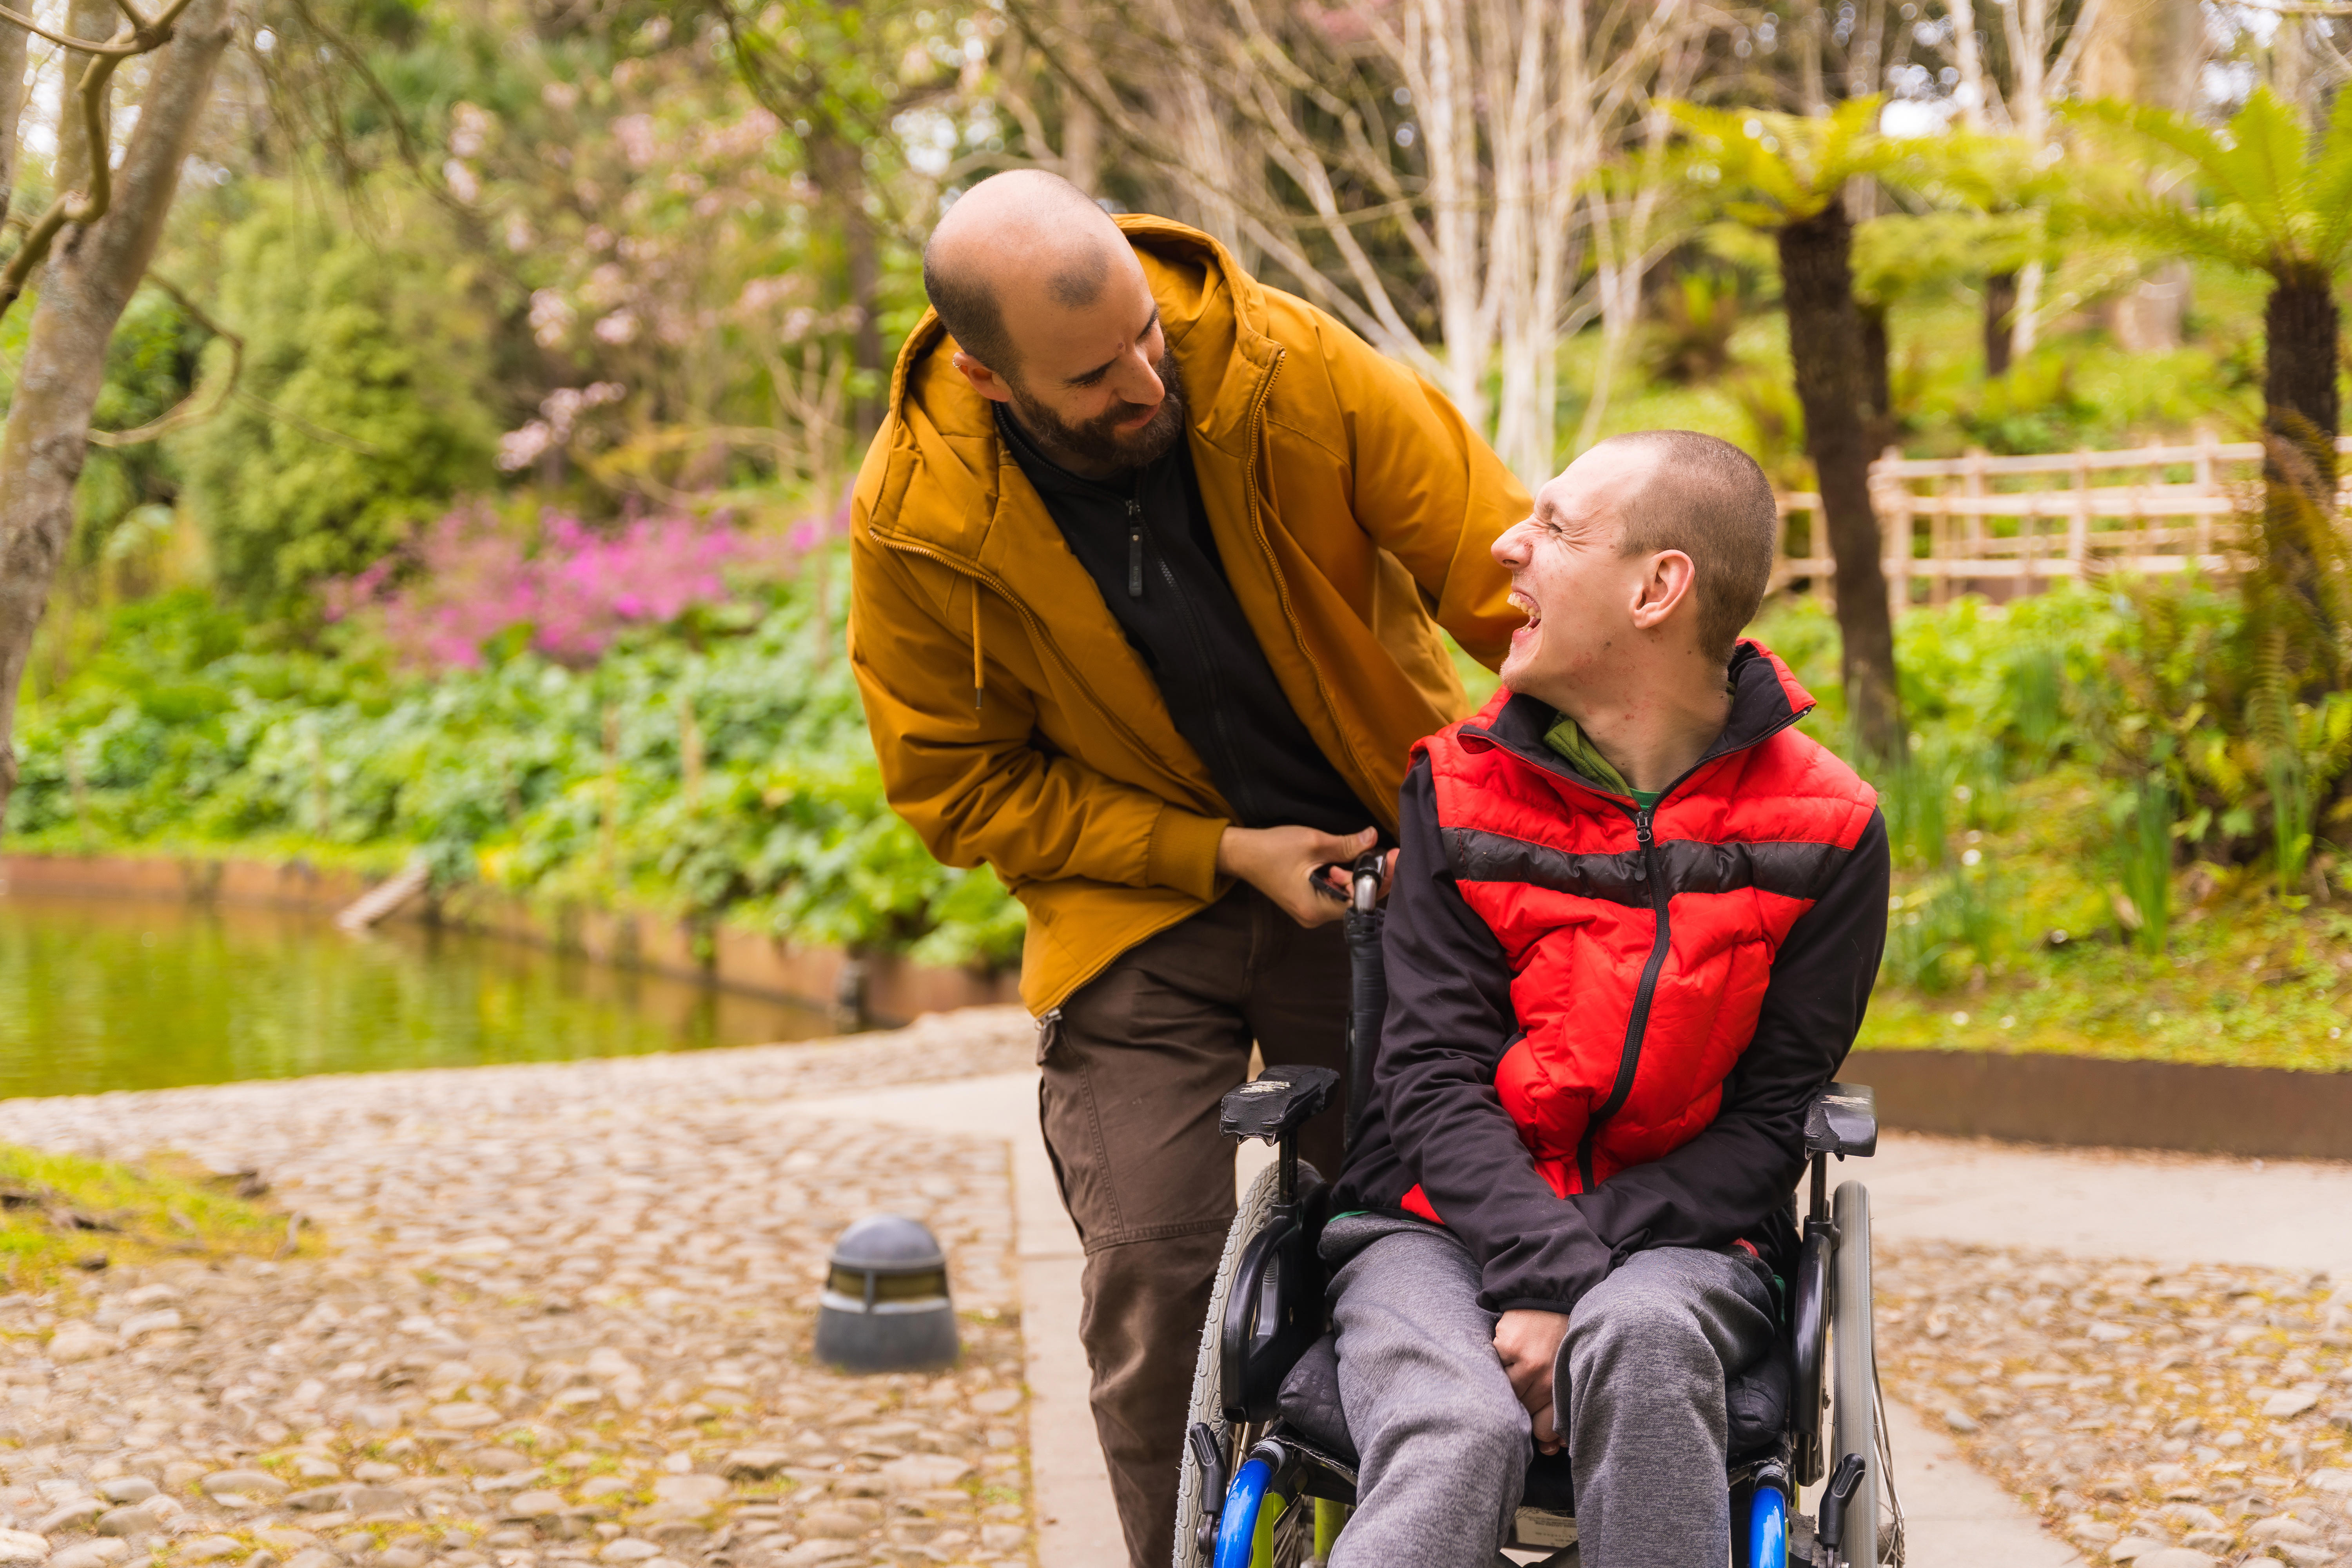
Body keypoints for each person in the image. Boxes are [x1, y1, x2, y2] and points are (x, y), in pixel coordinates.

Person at [844, 169, 1526, 1567]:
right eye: (1093, 375)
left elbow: (1509, 575)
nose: (1146, 382)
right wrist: (1214, 852)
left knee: (1396, 1247)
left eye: (1149, 337)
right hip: (1136, 906)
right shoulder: (915, 519)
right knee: (1158, 1275)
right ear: (985, 374)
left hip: (1381, 865)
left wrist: (1633, 757)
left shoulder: (1287, 367)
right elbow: (958, 785)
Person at [1321, 431, 1891, 1568]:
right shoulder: (1458, 784)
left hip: (1684, 1239)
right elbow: (1429, 1075)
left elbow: (1774, 1119)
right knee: (1456, 1424)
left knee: (1641, 1338)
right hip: (1430, 1226)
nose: (1506, 545)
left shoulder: (1828, 829)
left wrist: (1576, 1270)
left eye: (1554, 527)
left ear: (1658, 587)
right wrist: (1544, 1267)